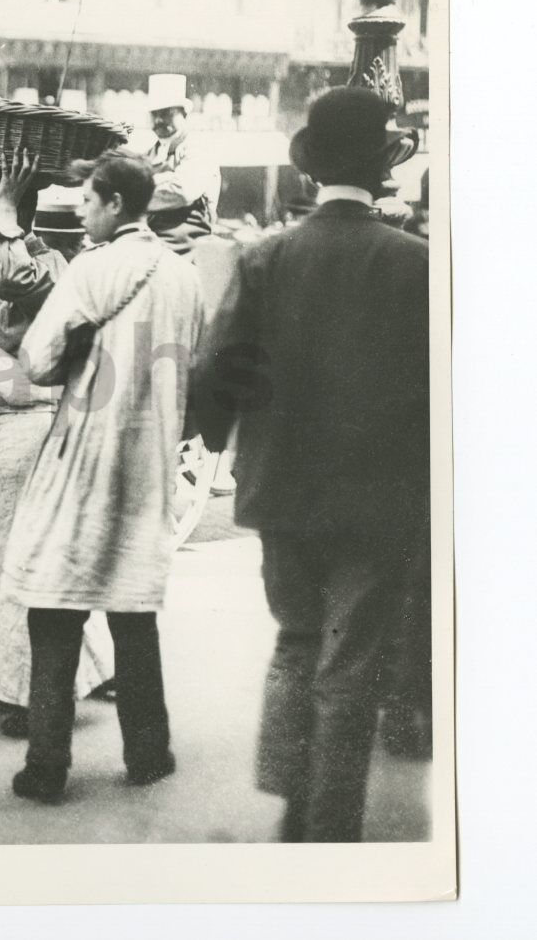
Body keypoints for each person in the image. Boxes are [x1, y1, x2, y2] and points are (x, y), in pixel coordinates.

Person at [192, 86, 428, 842]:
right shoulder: (414, 263)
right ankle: (331, 827)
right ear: (381, 169)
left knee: (296, 640)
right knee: (351, 661)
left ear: (311, 169)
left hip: (283, 494)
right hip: (378, 499)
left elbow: (219, 372)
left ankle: (293, 805)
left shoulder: (267, 257)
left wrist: (215, 430)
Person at [0, 149, 204, 802]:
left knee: (55, 608)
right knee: (132, 608)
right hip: (149, 462)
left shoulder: (91, 269)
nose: (82, 211)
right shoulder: (182, 276)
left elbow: (36, 361)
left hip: (86, 454)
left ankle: (47, 764)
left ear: (116, 204)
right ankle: (149, 751)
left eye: (88, 200)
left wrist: (68, 351)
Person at [0, 151, 112, 734]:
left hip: (30, 428)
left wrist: (12, 214)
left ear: (21, 217)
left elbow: (17, 292)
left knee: (21, 567)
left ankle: (32, 694)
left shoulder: (43, 265)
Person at [142, 74, 219, 258]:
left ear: (184, 114)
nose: (159, 120)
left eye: (167, 113)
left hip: (186, 246)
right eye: (155, 114)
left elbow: (183, 191)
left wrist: (139, 191)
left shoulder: (198, 148)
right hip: (151, 237)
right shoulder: (149, 154)